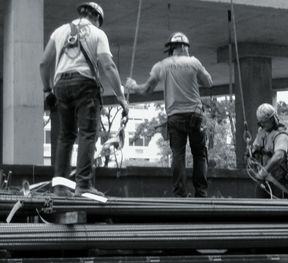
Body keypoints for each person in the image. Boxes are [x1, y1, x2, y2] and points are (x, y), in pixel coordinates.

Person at [40, 2, 128, 197]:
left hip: (60, 84)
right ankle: (84, 186)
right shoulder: (98, 34)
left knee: (66, 136)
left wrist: (47, 91)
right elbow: (108, 65)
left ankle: (60, 187)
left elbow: (44, 63)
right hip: (85, 85)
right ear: (97, 18)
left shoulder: (60, 31)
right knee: (87, 134)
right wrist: (121, 97)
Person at [126, 32, 213, 197]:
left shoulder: (162, 65)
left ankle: (180, 193)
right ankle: (201, 193)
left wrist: (133, 86)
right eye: (187, 48)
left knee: (178, 154)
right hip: (195, 114)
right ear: (183, 46)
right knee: (199, 154)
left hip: (175, 116)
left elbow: (146, 90)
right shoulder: (194, 62)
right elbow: (208, 82)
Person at [251, 103, 288, 199]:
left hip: (279, 182)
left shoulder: (281, 136)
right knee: (259, 209)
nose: (262, 125)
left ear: (272, 119)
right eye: (260, 123)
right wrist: (252, 154)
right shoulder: (262, 132)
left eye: (264, 122)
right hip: (264, 182)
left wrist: (264, 172)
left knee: (279, 211)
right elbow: (255, 148)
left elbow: (278, 156)